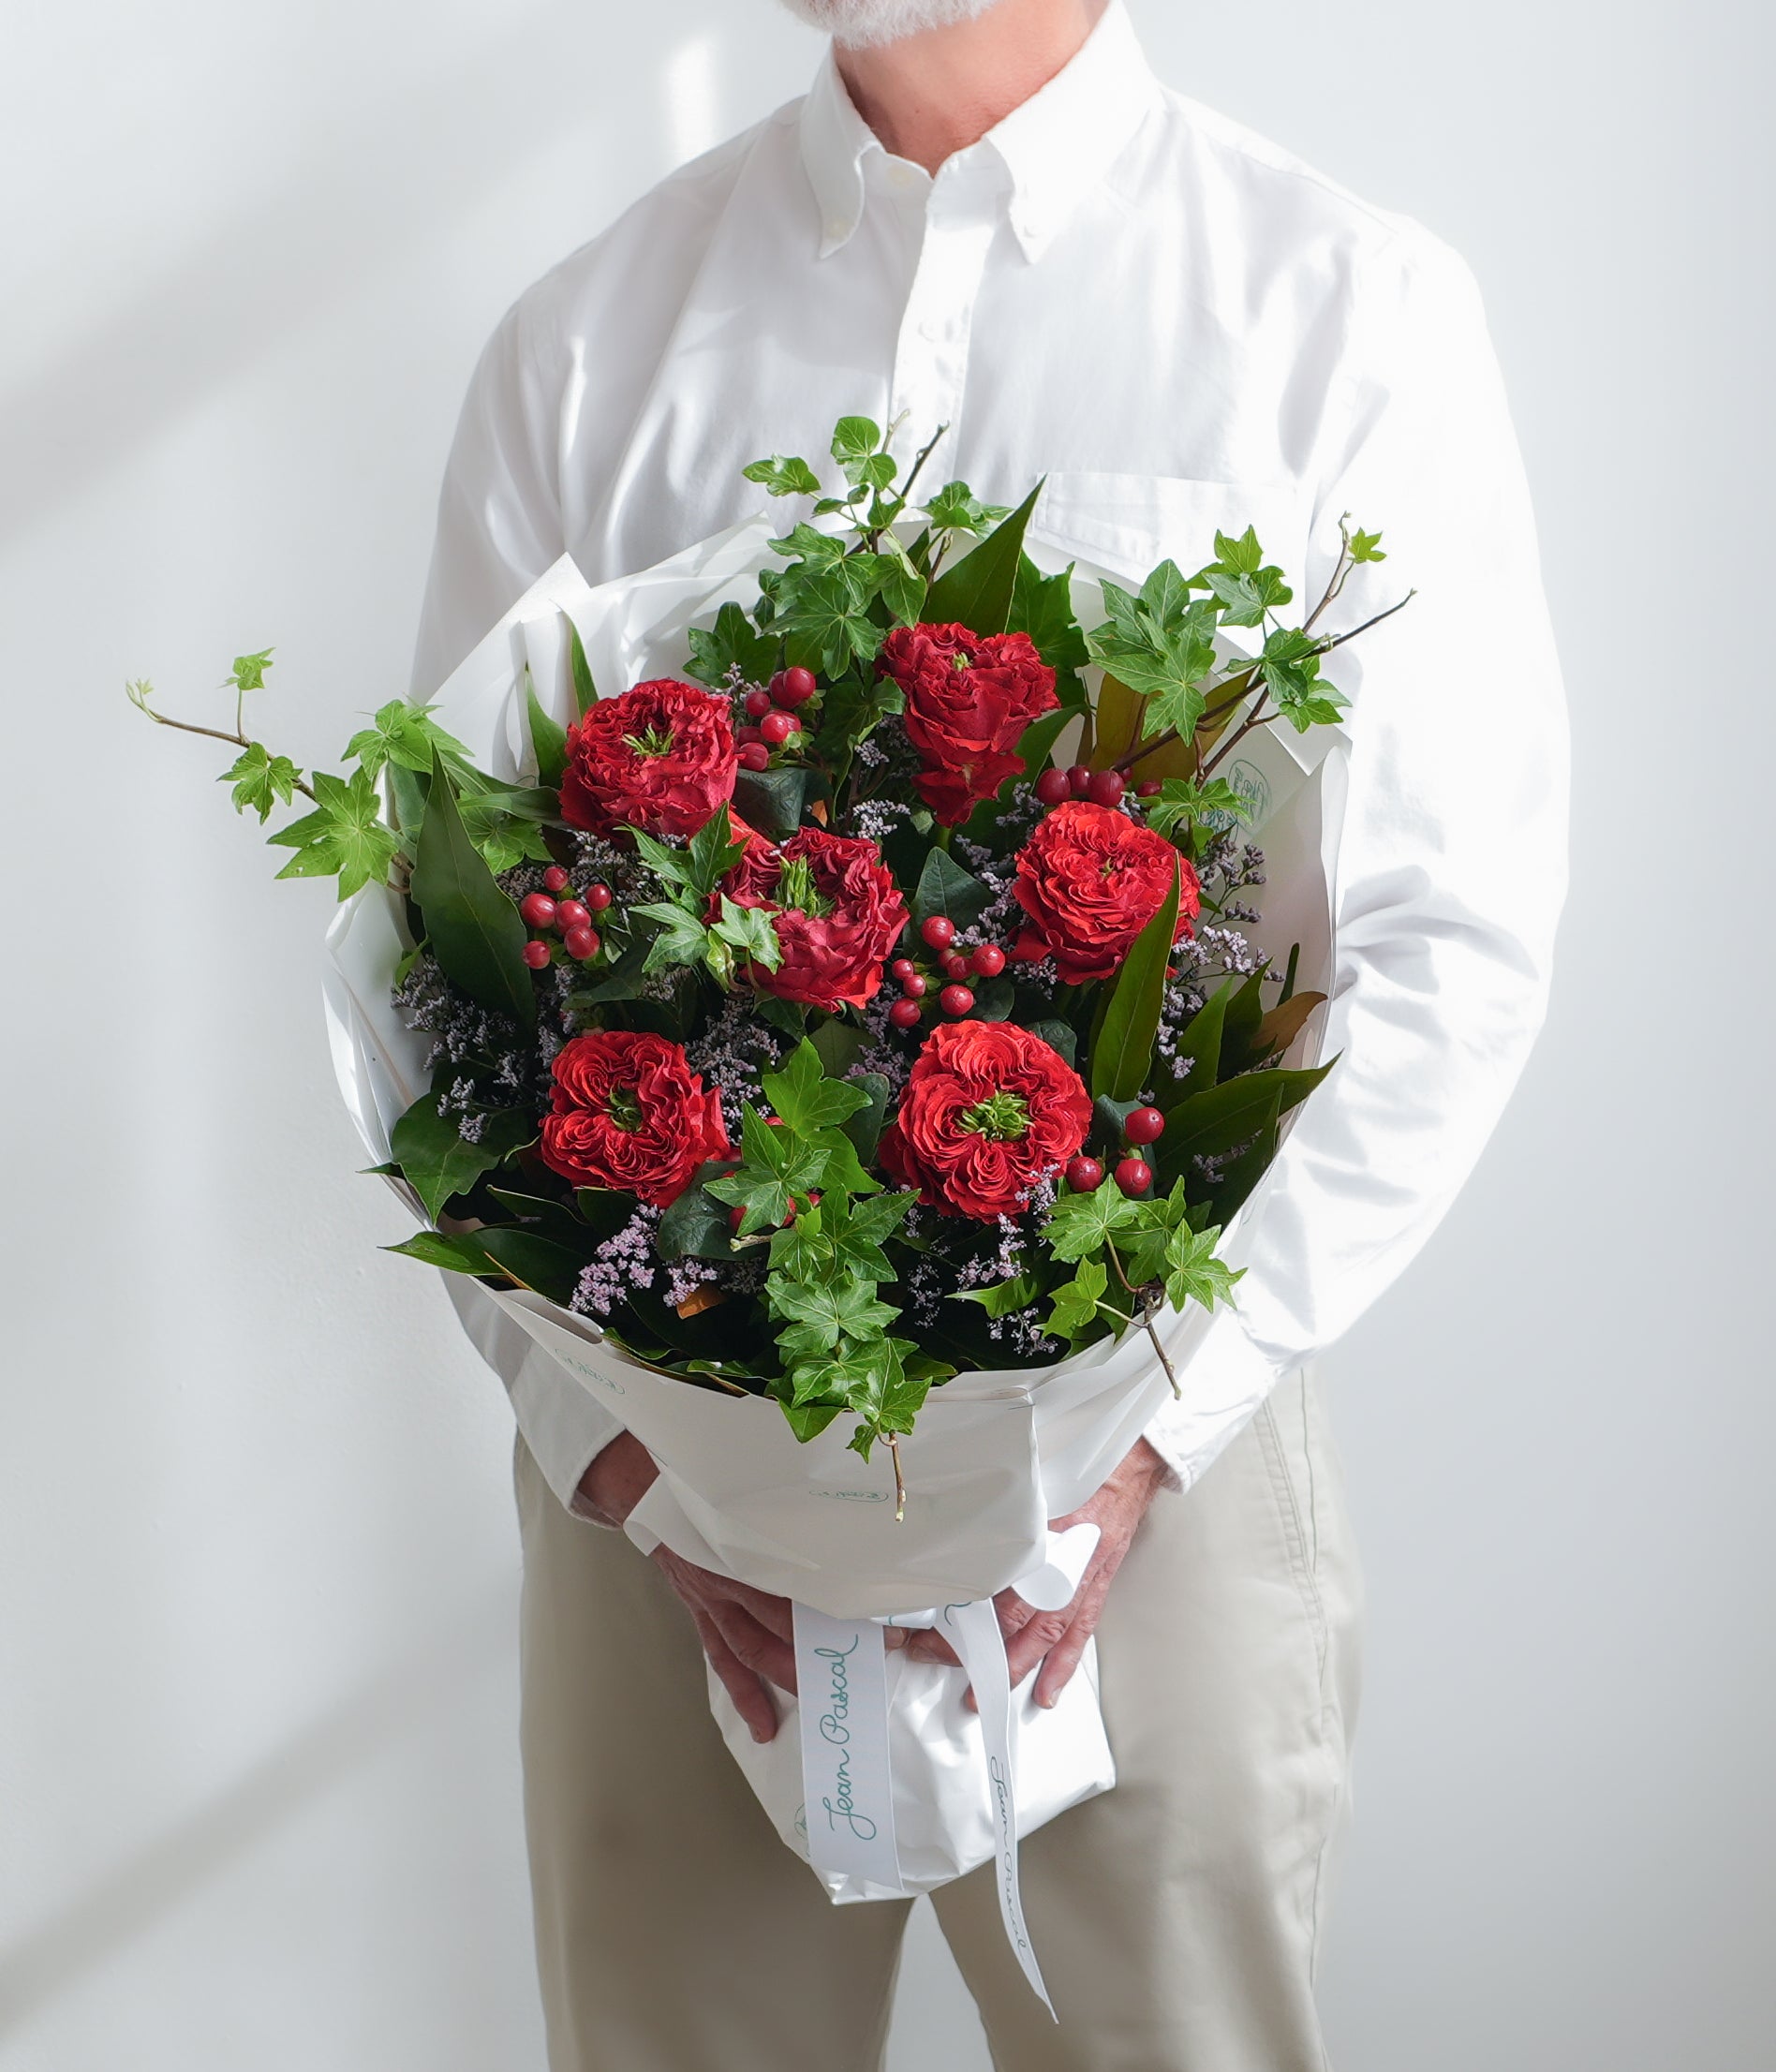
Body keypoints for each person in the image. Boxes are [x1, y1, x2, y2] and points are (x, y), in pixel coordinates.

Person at [409, 0, 1568, 2065]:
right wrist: (621, 1456)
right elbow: (448, 970)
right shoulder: (587, 342)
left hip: (1165, 1448)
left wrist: (1144, 1428)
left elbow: (1448, 934)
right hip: (660, 1480)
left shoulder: (1336, 306)